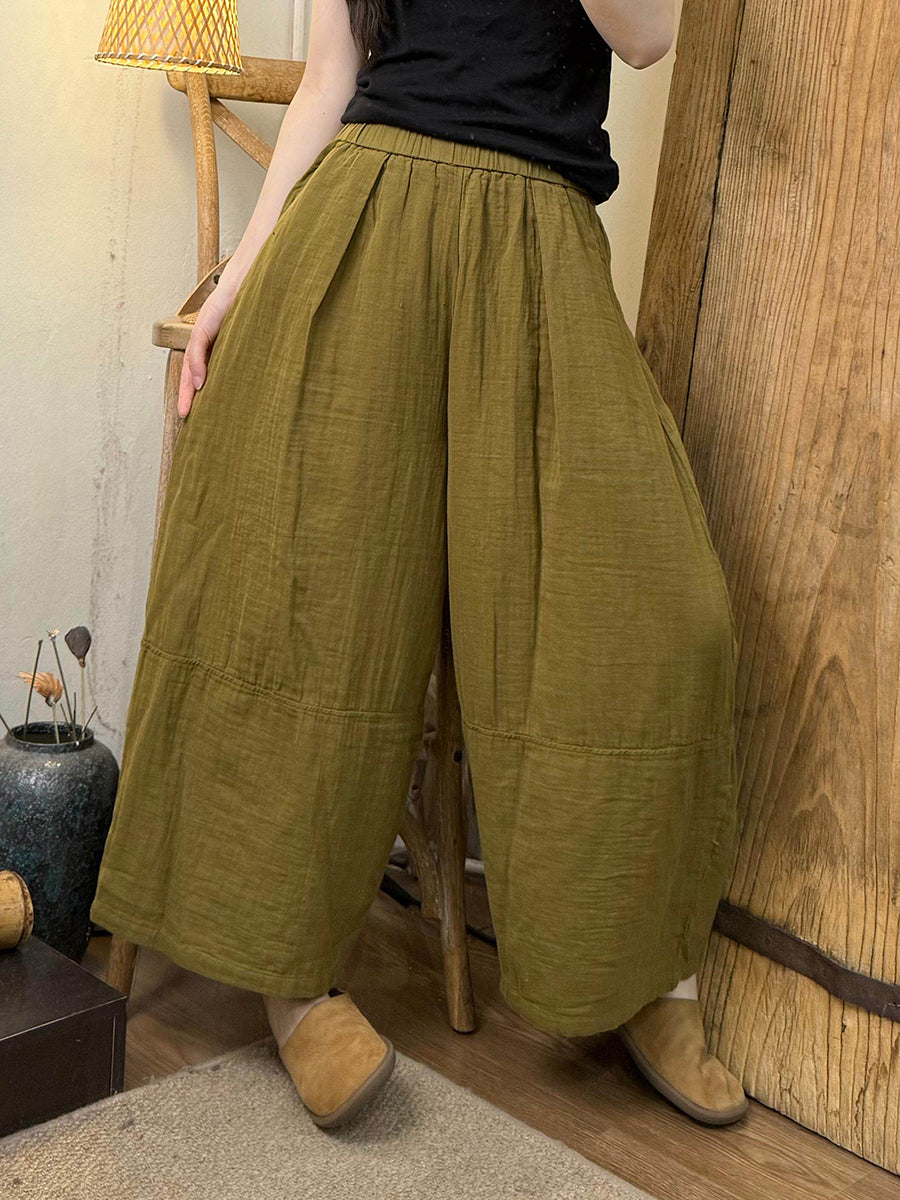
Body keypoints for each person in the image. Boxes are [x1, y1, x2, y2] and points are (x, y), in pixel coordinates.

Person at [90, 0, 748, 1130]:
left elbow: (645, 38)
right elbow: (331, 78)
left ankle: (639, 975)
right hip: (366, 221)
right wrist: (237, 277)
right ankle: (293, 985)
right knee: (303, 598)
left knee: (658, 615)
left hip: (539, 241)